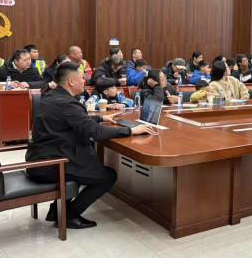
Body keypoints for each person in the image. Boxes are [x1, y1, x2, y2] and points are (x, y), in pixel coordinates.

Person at [25, 61, 156, 229]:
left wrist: (100, 118)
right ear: (71, 81)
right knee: (107, 176)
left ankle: (56, 211)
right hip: (53, 164)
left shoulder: (52, 97)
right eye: (81, 78)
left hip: (40, 158)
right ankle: (69, 215)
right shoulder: (68, 103)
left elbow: (71, 120)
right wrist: (131, 131)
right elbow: (96, 133)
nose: (84, 81)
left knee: (86, 166)